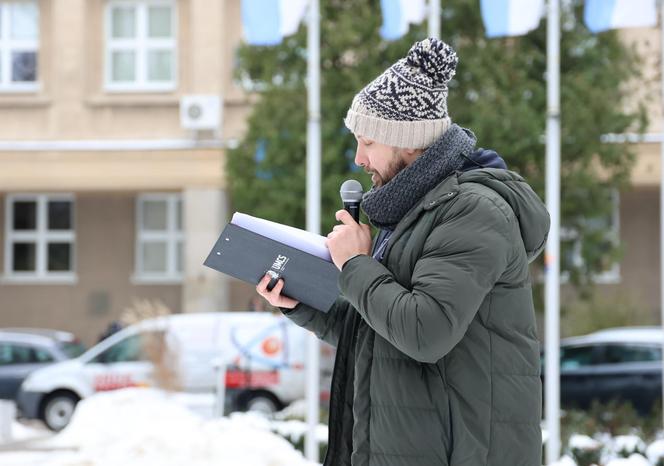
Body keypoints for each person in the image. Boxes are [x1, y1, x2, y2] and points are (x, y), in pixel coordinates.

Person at [257, 38, 549, 466]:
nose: (359, 158)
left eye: (369, 142)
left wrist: (356, 264)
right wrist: (299, 300)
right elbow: (377, 335)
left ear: (410, 143)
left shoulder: (472, 211)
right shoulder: (413, 216)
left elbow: (424, 331)